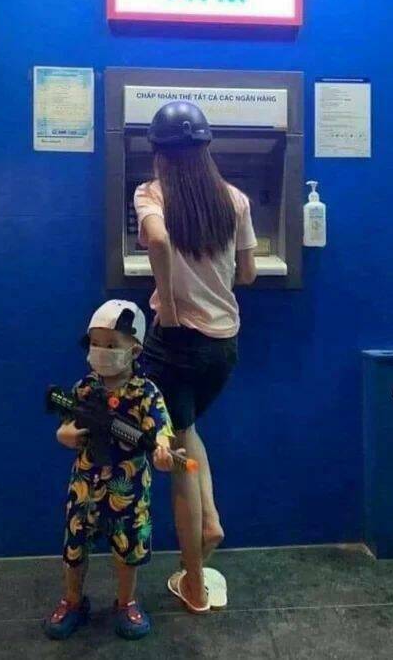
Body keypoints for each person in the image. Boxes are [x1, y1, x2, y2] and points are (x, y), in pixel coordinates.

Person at [136, 102, 258, 613]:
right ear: (207, 148)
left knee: (178, 455)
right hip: (223, 346)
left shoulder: (151, 193)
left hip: (175, 343)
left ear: (158, 152)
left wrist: (168, 304)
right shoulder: (235, 199)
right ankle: (209, 521)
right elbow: (247, 274)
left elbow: (158, 239)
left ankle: (194, 583)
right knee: (186, 430)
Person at [42, 300, 176, 640]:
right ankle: (73, 601)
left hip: (128, 487)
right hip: (85, 484)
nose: (102, 351)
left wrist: (162, 449)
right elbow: (67, 422)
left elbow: (160, 427)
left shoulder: (145, 392)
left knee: (128, 549)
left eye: (112, 345)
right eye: (96, 343)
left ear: (135, 350)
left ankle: (126, 602)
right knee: (75, 547)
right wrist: (65, 434)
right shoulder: (85, 388)